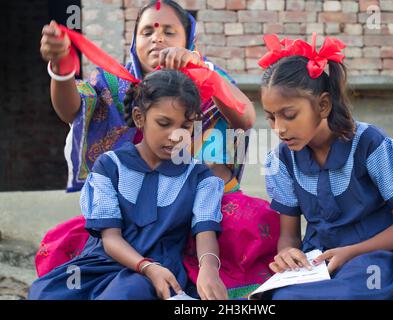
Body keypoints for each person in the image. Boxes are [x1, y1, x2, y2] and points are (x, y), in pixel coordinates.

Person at [36, 0, 279, 299]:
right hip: (128, 217)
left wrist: (201, 69)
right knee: (66, 246)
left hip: (197, 208)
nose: (157, 38)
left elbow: (244, 117)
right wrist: (62, 68)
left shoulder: (206, 81)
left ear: (188, 41)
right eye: (147, 31)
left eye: (168, 31)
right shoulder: (112, 84)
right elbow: (71, 108)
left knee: (250, 224)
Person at [29, 69, 228, 300]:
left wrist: (209, 270)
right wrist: (145, 266)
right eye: (164, 123)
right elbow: (110, 238)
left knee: (127, 292)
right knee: (44, 293)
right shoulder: (109, 166)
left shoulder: (200, 176)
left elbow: (206, 234)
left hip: (159, 269)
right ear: (139, 117)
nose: (175, 136)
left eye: (185, 126)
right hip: (103, 263)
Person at [260, 34, 393, 299]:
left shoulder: (370, 145)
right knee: (279, 294)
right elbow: (288, 237)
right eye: (270, 118)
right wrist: (287, 253)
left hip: (375, 257)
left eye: (289, 115)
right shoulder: (282, 160)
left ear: (323, 105)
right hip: (319, 262)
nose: (279, 128)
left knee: (345, 289)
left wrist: (351, 252)